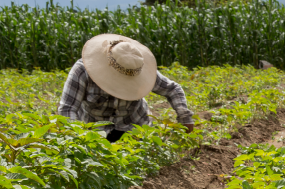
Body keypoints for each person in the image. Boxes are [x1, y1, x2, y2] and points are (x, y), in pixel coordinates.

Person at [58, 34, 194, 143]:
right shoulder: (83, 71)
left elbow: (173, 89)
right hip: (96, 134)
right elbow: (68, 109)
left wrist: (185, 117)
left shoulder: (137, 68)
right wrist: (77, 140)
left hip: (136, 129)